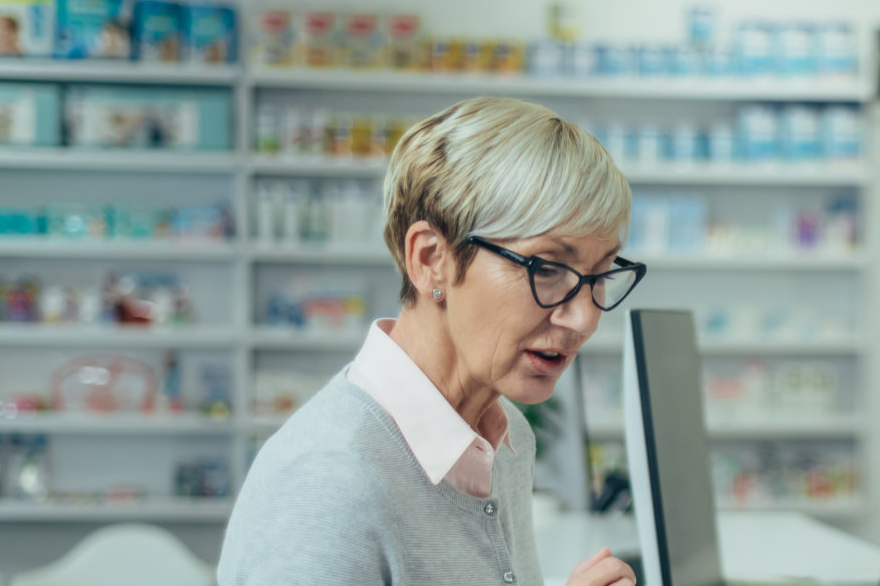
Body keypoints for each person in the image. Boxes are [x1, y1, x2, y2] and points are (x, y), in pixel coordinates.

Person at [218, 97, 646, 586]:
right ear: (430, 259)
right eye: (546, 268)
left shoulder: (506, 442)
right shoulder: (326, 485)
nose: (585, 318)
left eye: (600, 274)